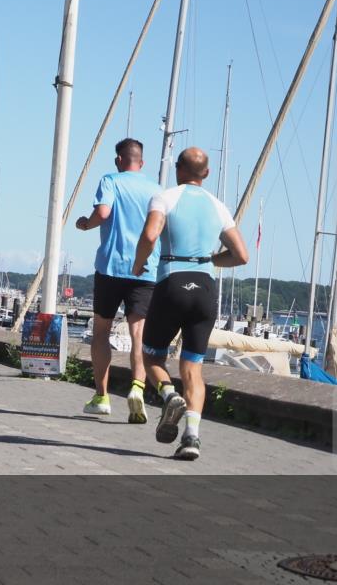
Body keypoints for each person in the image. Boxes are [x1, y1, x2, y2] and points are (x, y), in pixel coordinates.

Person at [132, 147, 248, 461]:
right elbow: (241, 255)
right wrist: (211, 259)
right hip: (205, 290)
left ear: (178, 169)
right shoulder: (219, 206)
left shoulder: (165, 197)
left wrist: (138, 264)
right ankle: (192, 439)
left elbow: (151, 233)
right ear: (206, 173)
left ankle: (169, 395)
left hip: (172, 283)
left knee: (151, 356)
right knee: (193, 369)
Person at [74, 138, 160, 423]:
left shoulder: (110, 180)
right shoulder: (156, 190)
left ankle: (101, 397)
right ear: (142, 163)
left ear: (118, 160)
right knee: (139, 334)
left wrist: (86, 223)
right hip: (145, 270)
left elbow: (103, 212)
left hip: (111, 267)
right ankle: (137, 388)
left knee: (101, 332)